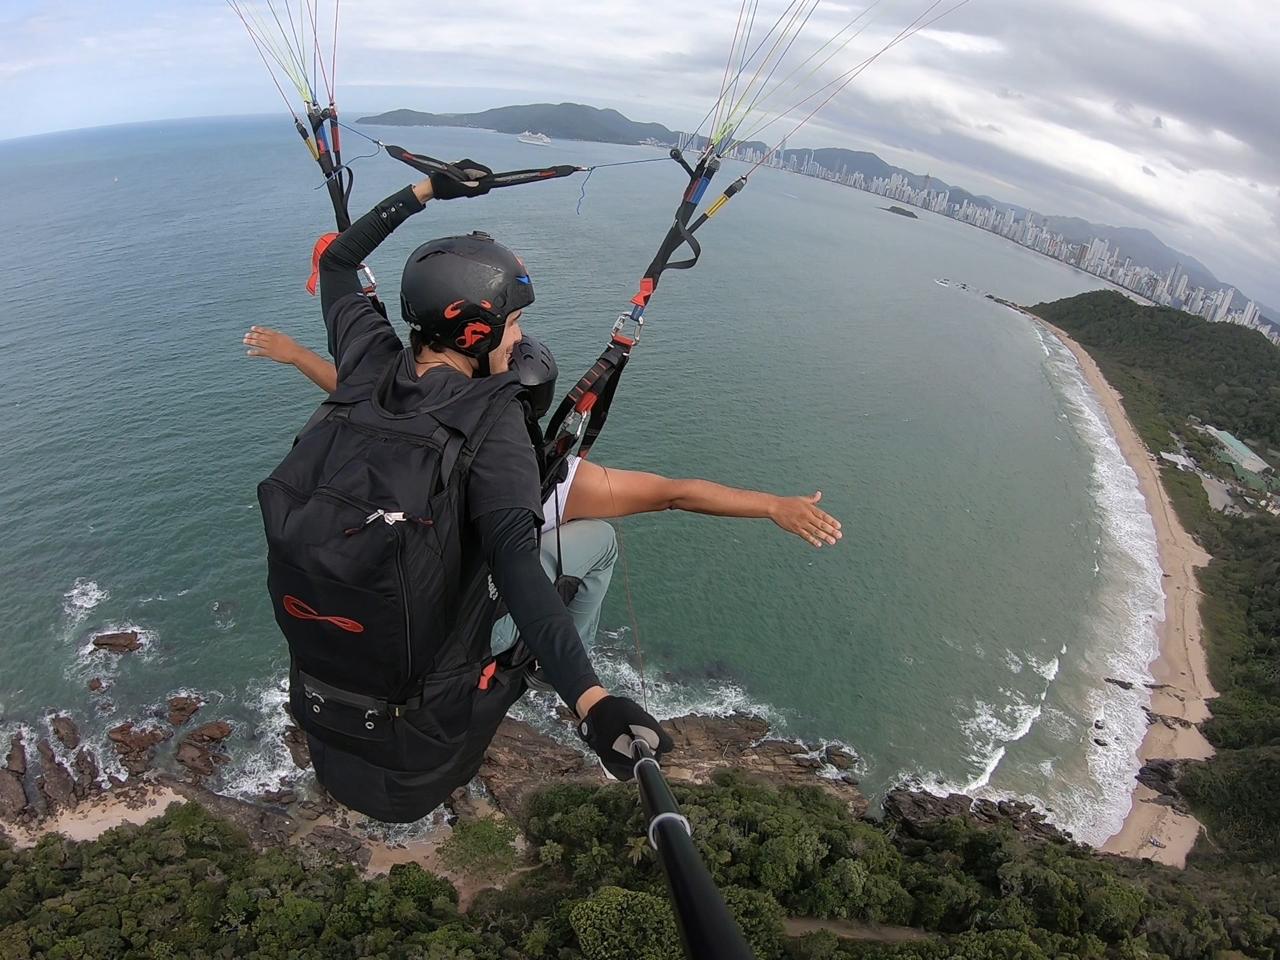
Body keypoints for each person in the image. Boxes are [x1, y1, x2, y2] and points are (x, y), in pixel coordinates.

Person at [257, 167, 671, 822]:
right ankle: (540, 668)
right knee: (593, 550)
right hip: (423, 750)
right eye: (513, 324)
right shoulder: (496, 423)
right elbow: (516, 567)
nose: (520, 338)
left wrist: (426, 191)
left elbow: (339, 262)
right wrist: (590, 702)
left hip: (325, 718)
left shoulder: (365, 360)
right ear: (475, 331)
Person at [246, 325, 843, 662]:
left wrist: (298, 354)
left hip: (388, 617)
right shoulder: (556, 480)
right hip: (468, 636)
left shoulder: (421, 443)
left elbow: (359, 398)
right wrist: (771, 504)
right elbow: (676, 493)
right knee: (602, 542)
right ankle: (551, 655)